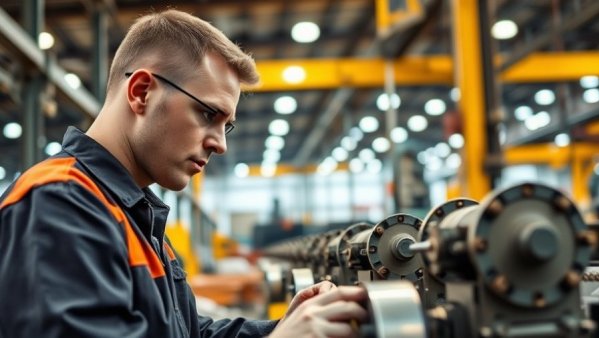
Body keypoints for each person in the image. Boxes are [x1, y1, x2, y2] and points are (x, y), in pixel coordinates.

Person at [0, 9, 368, 338]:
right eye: (209, 114)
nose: (220, 144)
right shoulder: (59, 201)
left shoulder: (135, 215)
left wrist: (285, 326)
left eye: (228, 125)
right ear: (142, 92)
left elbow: (188, 332)